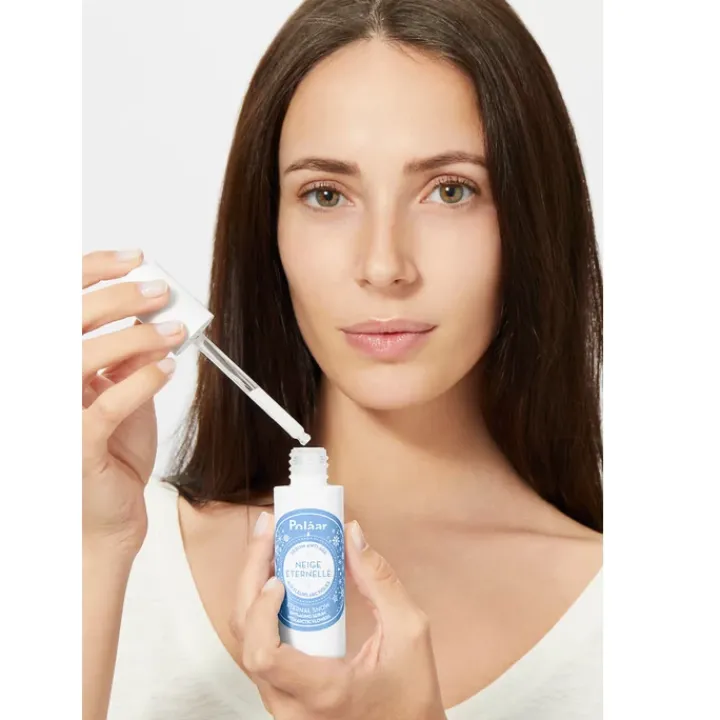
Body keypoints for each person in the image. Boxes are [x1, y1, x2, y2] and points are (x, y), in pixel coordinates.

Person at [82, 0, 603, 718]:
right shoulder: (114, 549)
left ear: (532, 217)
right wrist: (90, 553)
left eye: (450, 190)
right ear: (268, 229)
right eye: (326, 195)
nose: (383, 266)